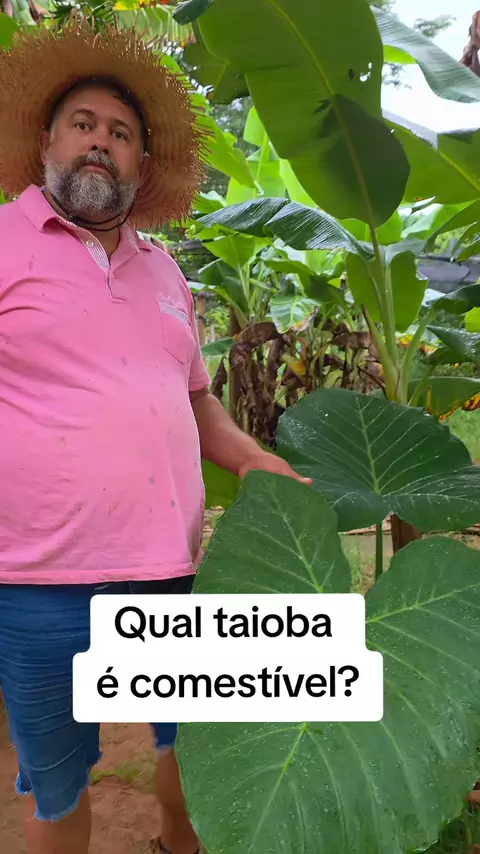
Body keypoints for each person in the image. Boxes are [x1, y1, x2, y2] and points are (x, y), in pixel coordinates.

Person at [0, 17, 311, 854]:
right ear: (47, 142)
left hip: (170, 569)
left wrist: (252, 457)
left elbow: (196, 398)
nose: (101, 142)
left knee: (197, 757)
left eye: (121, 133)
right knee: (58, 786)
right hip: (38, 580)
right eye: (84, 124)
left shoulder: (166, 269)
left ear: (141, 163)